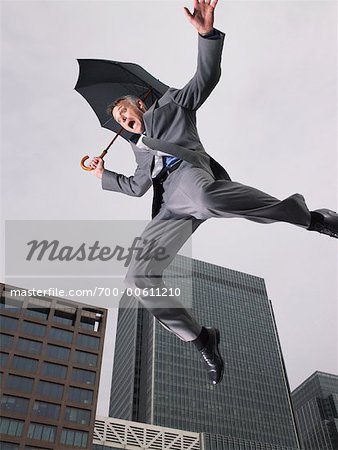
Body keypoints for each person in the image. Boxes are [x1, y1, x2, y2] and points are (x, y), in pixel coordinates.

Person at [89, 0, 338, 385]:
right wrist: (106, 174)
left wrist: (206, 36)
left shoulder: (172, 105)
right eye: (120, 123)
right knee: (137, 277)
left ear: (139, 104)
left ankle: (312, 218)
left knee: (206, 198)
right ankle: (202, 339)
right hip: (168, 211)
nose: (125, 123)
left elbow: (204, 79)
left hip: (192, 177)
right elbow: (138, 187)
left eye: (127, 115)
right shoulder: (136, 149)